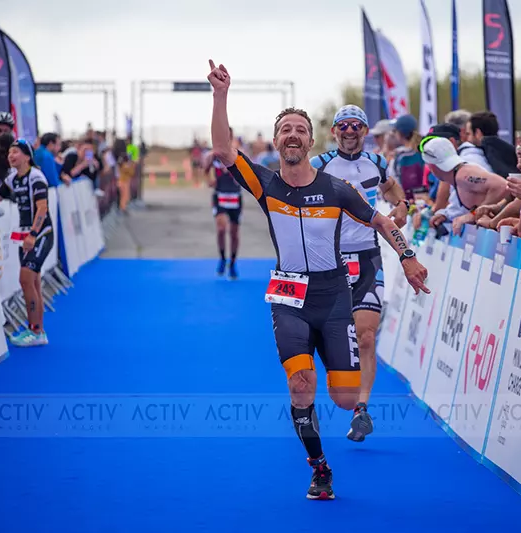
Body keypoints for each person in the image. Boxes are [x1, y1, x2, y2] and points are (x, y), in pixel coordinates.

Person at [207, 59, 429, 500]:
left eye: (299, 130)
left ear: (310, 141)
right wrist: (220, 96)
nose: (291, 135)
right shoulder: (265, 184)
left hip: (332, 295)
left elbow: (382, 221)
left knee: (345, 399)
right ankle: (319, 467)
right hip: (288, 293)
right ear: (276, 141)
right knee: (300, 385)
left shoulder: (335, 189)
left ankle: (341, 391)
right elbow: (223, 151)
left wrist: (407, 257)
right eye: (284, 129)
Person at [310, 104, 409, 442]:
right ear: (335, 131)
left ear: (365, 132)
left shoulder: (377, 163)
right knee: (331, 336)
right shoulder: (319, 165)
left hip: (367, 257)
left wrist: (401, 206)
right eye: (344, 126)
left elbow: (393, 188)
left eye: (357, 126)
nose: (350, 132)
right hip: (329, 261)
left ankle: (361, 411)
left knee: (366, 337)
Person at [0, 140, 54, 345]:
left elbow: (42, 208)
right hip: (25, 235)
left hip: (40, 234)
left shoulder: (35, 177)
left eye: (16, 152)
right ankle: (38, 330)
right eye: (9, 152)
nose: (11, 155)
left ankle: (35, 331)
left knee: (26, 280)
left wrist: (33, 235)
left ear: (27, 156)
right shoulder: (12, 178)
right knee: (32, 282)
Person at [421, 137, 508, 234]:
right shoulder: (456, 176)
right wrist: (446, 215)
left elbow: (503, 186)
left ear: (431, 166)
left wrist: (473, 215)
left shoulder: (464, 175)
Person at [201, 127, 244, 279]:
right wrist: (209, 181)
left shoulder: (238, 154)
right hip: (219, 196)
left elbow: (250, 173)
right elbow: (205, 171)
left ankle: (232, 263)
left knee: (234, 232)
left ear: (231, 137)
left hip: (235, 197)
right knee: (221, 228)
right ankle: (222, 258)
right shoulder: (212, 156)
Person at [390, 114, 429, 202]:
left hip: (408, 204)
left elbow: (394, 183)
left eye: (394, 131)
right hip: (427, 201)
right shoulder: (425, 150)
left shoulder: (399, 156)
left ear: (400, 133)